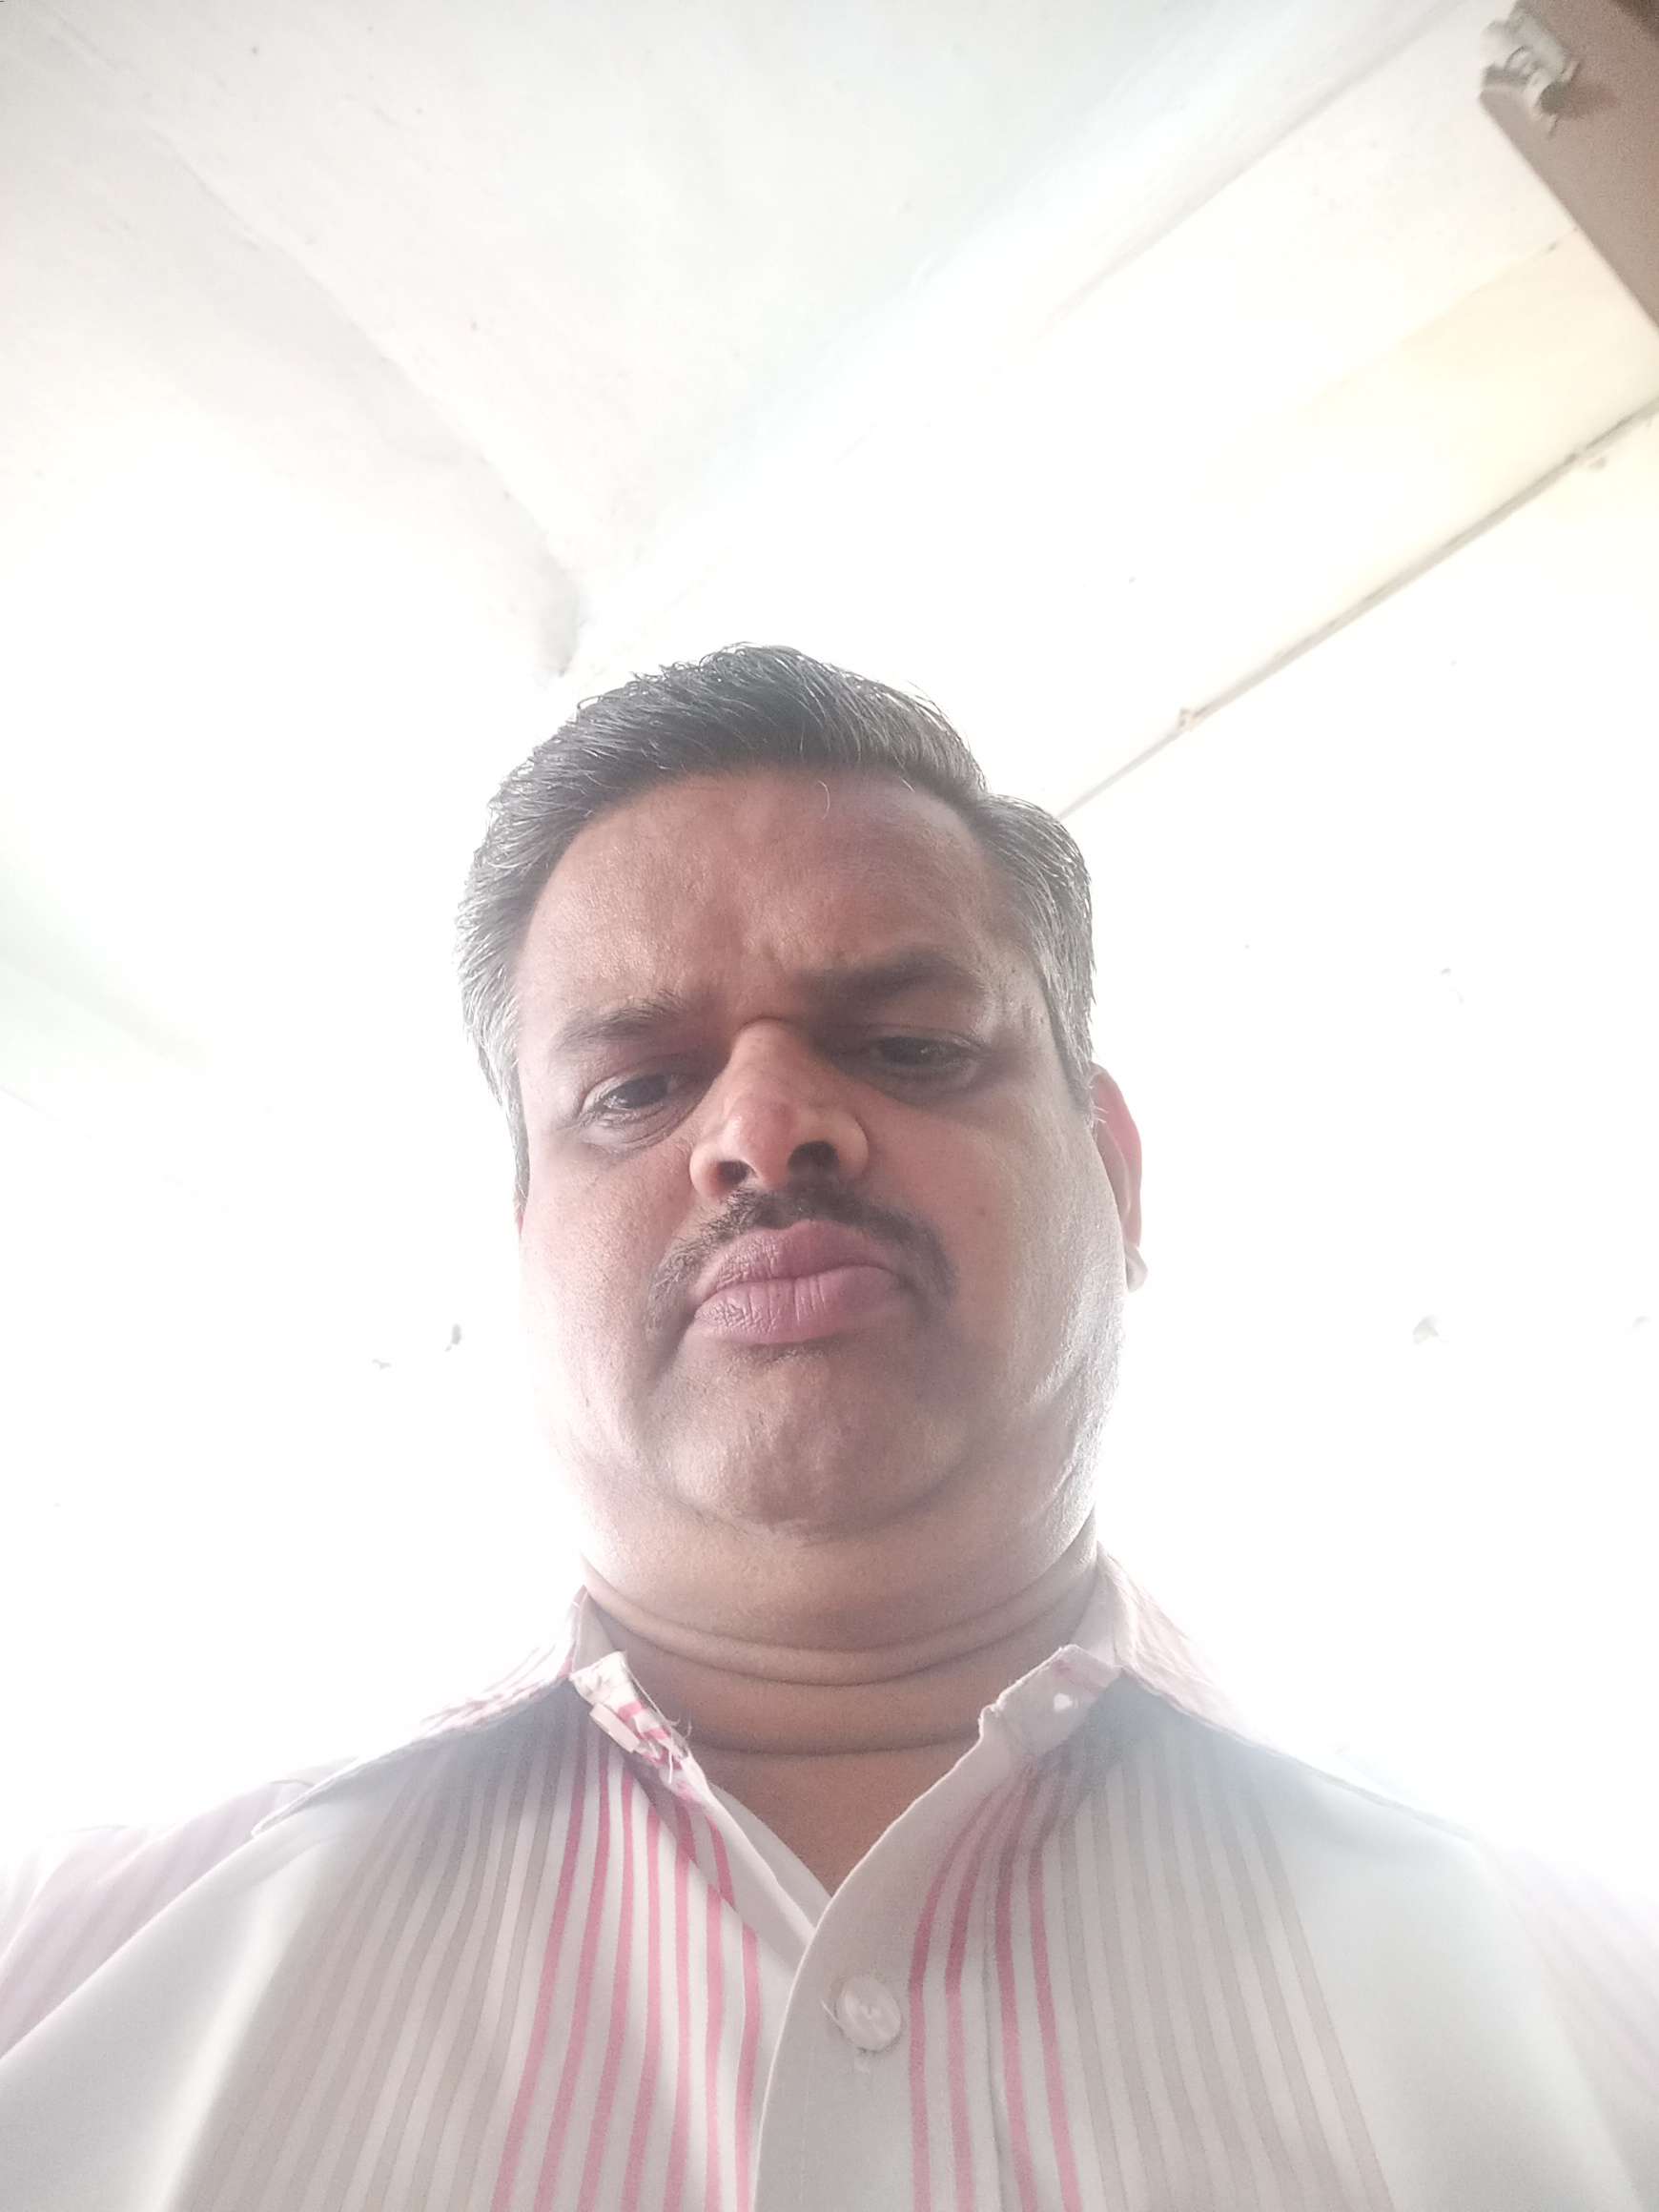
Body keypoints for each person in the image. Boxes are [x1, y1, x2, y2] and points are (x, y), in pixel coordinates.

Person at [0, 645, 1652, 2212]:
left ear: (1115, 1173)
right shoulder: (60, 1982)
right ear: (525, 1251)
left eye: (911, 1048)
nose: (767, 1125)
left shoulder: (1608, 2013)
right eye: (636, 1088)